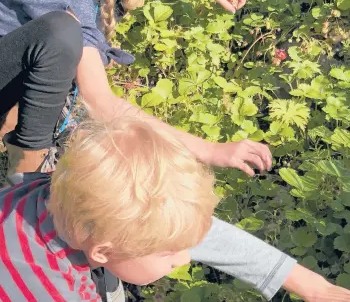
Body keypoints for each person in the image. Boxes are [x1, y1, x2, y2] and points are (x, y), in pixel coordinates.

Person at [0, 0, 349, 302]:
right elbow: (104, 105)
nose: (181, 258)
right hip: (17, 86)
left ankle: (28, 178)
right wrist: (212, 151)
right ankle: (25, 164)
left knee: (131, 206)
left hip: (28, 77)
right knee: (63, 36)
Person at [1, 119, 349, 302]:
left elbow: (178, 227)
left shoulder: (69, 192)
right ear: (104, 250)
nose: (184, 259)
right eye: (170, 252)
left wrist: (310, 285)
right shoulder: (53, 292)